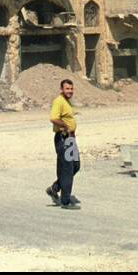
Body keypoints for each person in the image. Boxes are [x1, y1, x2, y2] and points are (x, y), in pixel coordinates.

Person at [46, 79, 80, 209]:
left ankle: (54, 188)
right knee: (67, 169)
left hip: (70, 139)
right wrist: (65, 126)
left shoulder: (66, 102)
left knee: (75, 166)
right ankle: (65, 202)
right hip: (63, 138)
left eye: (71, 89)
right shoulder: (58, 101)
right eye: (67, 89)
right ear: (61, 89)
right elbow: (53, 118)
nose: (70, 91)